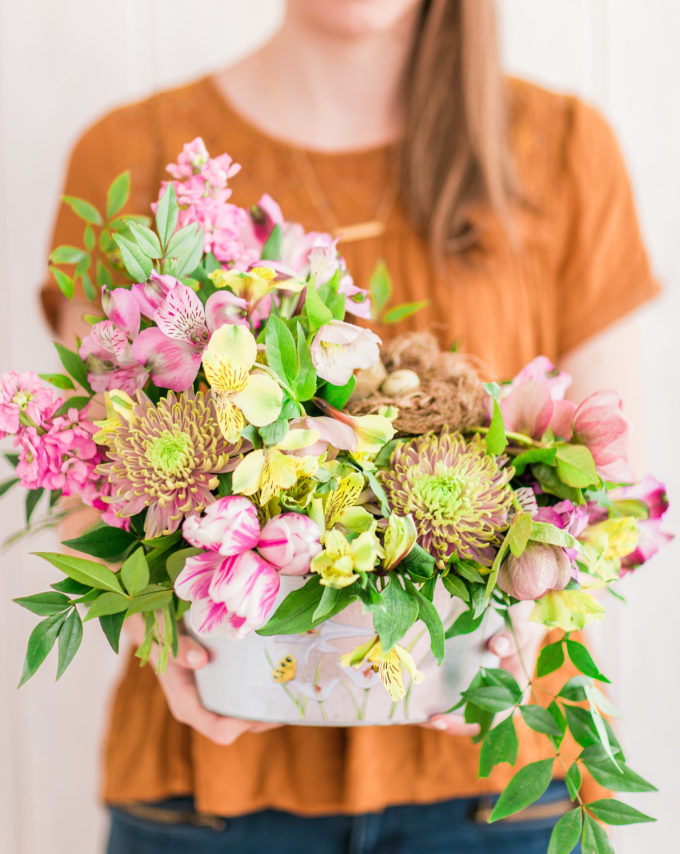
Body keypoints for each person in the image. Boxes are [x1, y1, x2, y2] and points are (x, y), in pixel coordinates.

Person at [41, 1, 659, 852]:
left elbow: (611, 486)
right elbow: (84, 480)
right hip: (212, 788)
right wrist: (153, 628)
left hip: (504, 794)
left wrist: (540, 602)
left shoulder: (561, 149)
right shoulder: (132, 154)